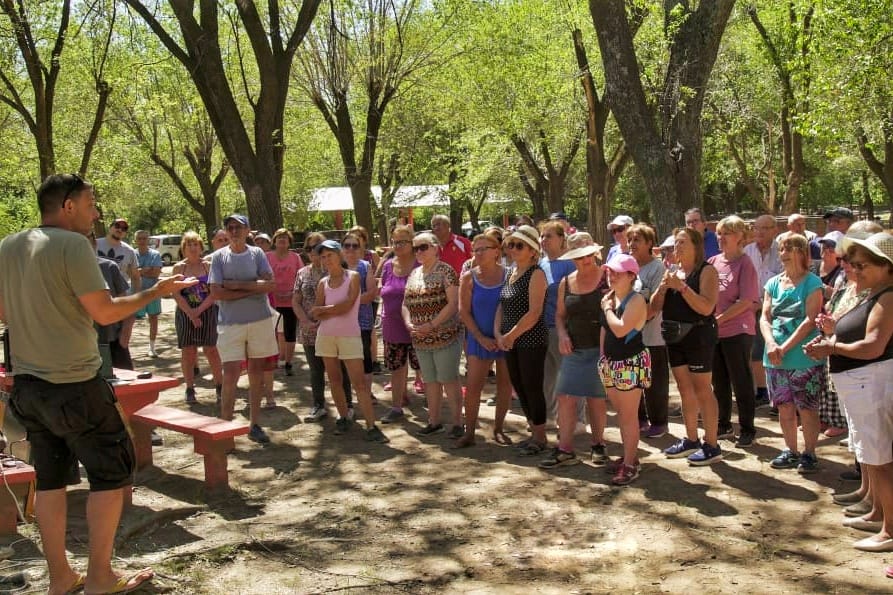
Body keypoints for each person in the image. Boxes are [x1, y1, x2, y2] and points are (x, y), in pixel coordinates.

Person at [0, 174, 198, 595]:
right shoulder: (72, 245)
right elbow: (105, 313)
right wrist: (156, 291)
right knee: (112, 474)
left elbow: (3, 313)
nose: (96, 215)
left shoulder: (9, 245)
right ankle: (101, 578)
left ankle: (60, 578)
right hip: (75, 383)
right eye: (91, 206)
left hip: (28, 388)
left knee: (51, 480)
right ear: (68, 205)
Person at [805, 232, 893, 558]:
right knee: (873, 456)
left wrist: (833, 346)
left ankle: (889, 529)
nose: (855, 270)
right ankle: (880, 515)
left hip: (873, 385)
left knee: (881, 460)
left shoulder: (888, 297)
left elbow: (874, 344)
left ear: (885, 266)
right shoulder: (876, 293)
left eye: (862, 265)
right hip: (862, 385)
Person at [538, 233, 610, 469]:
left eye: (588, 255)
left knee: (596, 399)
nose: (585, 260)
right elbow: (560, 315)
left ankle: (598, 445)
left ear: (595, 253)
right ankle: (565, 449)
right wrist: (562, 334)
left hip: (602, 350)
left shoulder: (608, 277)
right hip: (574, 349)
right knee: (565, 396)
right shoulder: (566, 283)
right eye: (579, 257)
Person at [652, 227, 723, 465]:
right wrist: (663, 287)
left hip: (699, 335)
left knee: (703, 389)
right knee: (684, 389)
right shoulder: (671, 271)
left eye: (683, 242)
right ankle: (691, 438)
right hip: (675, 336)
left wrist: (681, 287)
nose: (677, 247)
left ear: (696, 246)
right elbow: (654, 308)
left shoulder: (707, 271)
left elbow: (706, 307)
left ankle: (712, 444)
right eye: (675, 243)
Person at [209, 213, 277, 444]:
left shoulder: (257, 253)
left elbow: (269, 284)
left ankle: (254, 424)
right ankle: (225, 428)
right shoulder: (218, 258)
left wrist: (237, 286)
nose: (235, 231)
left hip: (260, 321)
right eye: (230, 227)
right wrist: (253, 289)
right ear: (226, 231)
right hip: (230, 324)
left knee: (256, 373)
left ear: (248, 230)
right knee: (230, 374)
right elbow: (216, 292)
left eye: (239, 227)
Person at [760, 232, 824, 473]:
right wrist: (770, 343)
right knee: (784, 407)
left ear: (800, 252)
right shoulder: (773, 283)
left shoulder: (812, 283)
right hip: (774, 357)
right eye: (781, 249)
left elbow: (810, 320)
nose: (783, 254)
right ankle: (790, 450)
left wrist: (784, 348)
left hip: (802, 356)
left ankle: (809, 453)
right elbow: (765, 316)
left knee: (807, 407)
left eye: (788, 249)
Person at [312, 240, 388, 442]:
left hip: (349, 335)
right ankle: (344, 417)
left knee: (359, 383)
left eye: (329, 255)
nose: (326, 260)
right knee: (335, 380)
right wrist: (329, 310)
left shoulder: (353, 277)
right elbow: (316, 312)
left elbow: (347, 305)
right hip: (326, 336)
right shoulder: (322, 282)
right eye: (323, 256)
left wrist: (327, 310)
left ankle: (372, 426)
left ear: (339, 255)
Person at [402, 232, 464, 438]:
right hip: (420, 337)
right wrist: (409, 322)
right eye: (416, 247)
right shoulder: (414, 273)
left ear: (436, 248)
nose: (418, 251)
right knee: (430, 380)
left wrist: (432, 324)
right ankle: (434, 421)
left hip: (445, 335)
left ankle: (457, 423)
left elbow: (453, 303)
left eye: (423, 247)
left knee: (448, 378)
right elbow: (405, 303)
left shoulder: (446, 271)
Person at [496, 225, 549, 455]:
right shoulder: (510, 272)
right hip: (510, 340)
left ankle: (540, 436)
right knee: (519, 385)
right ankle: (533, 431)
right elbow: (502, 305)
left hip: (531, 340)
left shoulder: (536, 274)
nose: (513, 249)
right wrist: (499, 334)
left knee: (532, 386)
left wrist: (511, 335)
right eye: (511, 244)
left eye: (519, 245)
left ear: (533, 251)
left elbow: (534, 312)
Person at [457, 229, 512, 447]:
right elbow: (463, 311)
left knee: (505, 385)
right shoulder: (468, 277)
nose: (478, 253)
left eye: (483, 249)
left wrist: (504, 336)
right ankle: (469, 432)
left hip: (505, 339)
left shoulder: (510, 275)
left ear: (496, 252)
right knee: (473, 387)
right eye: (475, 250)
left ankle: (498, 428)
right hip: (478, 340)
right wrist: (479, 337)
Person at [709, 216, 760, 447]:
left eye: (726, 233)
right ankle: (723, 424)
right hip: (714, 332)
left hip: (738, 330)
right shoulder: (712, 261)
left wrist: (720, 318)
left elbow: (747, 301)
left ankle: (747, 428)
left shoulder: (745, 263)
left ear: (740, 237)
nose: (721, 238)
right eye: (719, 233)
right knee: (719, 381)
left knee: (741, 380)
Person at [600, 254, 650, 485]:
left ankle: (630, 464)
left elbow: (620, 330)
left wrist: (607, 309)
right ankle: (629, 457)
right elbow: (605, 331)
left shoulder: (636, 300)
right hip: (611, 363)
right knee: (622, 414)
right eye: (610, 272)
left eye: (618, 272)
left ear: (631, 276)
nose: (612, 276)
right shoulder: (611, 298)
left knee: (629, 416)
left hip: (630, 362)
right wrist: (603, 358)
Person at [292, 233, 352, 422]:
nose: (314, 252)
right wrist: (306, 321)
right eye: (309, 248)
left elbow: (343, 301)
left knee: (340, 370)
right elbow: (296, 301)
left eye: (317, 247)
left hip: (333, 328)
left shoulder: (336, 272)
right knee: (316, 370)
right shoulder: (302, 273)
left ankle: (347, 405)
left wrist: (323, 319)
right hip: (309, 330)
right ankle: (318, 405)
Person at [627, 224, 670, 438]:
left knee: (654, 382)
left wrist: (638, 319)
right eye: (630, 240)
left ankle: (660, 422)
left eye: (637, 240)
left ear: (649, 243)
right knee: (634, 379)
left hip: (652, 336)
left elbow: (656, 304)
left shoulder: (657, 268)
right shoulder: (628, 267)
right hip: (630, 336)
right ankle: (640, 419)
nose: (632, 244)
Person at [172, 232, 223, 404]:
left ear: (201, 247)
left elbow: (214, 293)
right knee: (188, 351)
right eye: (189, 245)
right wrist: (191, 313)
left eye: (196, 245)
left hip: (207, 311)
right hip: (185, 312)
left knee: (211, 349)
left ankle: (220, 386)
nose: (193, 248)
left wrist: (199, 310)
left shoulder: (209, 266)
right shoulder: (179, 268)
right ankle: (189, 388)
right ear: (183, 248)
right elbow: (176, 294)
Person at [378, 225, 421, 423]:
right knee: (396, 367)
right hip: (392, 325)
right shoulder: (388, 265)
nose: (399, 245)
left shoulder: (420, 264)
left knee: (425, 369)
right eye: (395, 242)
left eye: (403, 241)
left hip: (418, 325)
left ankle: (434, 413)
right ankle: (396, 407)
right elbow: (382, 287)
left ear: (412, 243)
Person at [538, 220, 576, 427]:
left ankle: (577, 420)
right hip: (542, 327)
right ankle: (550, 416)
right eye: (542, 236)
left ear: (562, 239)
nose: (544, 240)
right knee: (547, 375)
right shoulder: (540, 264)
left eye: (549, 236)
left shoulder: (570, 264)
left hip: (563, 328)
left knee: (568, 375)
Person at [745, 214, 782, 407]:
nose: (759, 232)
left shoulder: (782, 251)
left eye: (765, 228)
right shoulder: (747, 251)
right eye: (756, 228)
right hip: (750, 309)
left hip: (777, 311)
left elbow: (786, 282)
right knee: (755, 352)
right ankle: (762, 390)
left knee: (774, 350)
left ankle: (776, 391)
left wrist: (763, 304)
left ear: (775, 230)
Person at [343, 231, 379, 402]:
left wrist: (348, 303)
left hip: (362, 320)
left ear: (360, 248)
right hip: (340, 321)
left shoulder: (365, 266)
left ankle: (366, 392)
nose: (350, 249)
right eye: (347, 245)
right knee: (345, 358)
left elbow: (371, 294)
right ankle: (349, 394)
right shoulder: (337, 267)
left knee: (364, 355)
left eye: (354, 245)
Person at [96, 218, 140, 351]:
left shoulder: (129, 251)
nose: (120, 229)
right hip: (96, 296)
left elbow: (136, 278)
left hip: (118, 298)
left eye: (124, 228)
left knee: (119, 343)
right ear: (110, 227)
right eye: (117, 226)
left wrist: (135, 301)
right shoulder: (95, 244)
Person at [266, 228, 303, 375]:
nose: (282, 240)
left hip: (290, 301)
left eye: (285, 238)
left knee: (289, 332)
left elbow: (301, 277)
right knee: (270, 332)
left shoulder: (295, 257)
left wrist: (293, 293)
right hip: (271, 301)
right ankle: (271, 361)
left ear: (289, 242)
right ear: (274, 241)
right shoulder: (266, 256)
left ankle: (288, 362)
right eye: (279, 237)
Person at [134, 230, 163, 357]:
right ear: (135, 240)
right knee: (130, 319)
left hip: (153, 291)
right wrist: (145, 270)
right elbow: (129, 273)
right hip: (135, 292)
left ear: (148, 240)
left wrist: (139, 271)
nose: (142, 241)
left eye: (144, 238)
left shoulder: (155, 254)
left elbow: (156, 273)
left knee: (153, 318)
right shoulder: (131, 254)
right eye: (139, 238)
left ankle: (152, 347)